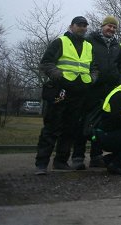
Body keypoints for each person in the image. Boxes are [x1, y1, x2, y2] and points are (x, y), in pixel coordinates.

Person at [35, 16, 93, 175]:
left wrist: (92, 78)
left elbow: (93, 67)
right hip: (61, 90)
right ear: (71, 26)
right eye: (79, 25)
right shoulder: (60, 41)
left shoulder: (88, 45)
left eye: (85, 25)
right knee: (52, 127)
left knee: (70, 128)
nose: (83, 28)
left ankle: (61, 161)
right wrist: (58, 76)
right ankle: (41, 163)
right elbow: (46, 62)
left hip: (79, 91)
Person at [72, 15, 121, 170]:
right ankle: (78, 156)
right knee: (84, 122)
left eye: (114, 27)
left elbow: (120, 66)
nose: (112, 29)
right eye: (109, 26)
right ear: (103, 26)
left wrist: (119, 83)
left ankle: (96, 155)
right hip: (91, 90)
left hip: (109, 91)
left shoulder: (116, 46)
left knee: (100, 125)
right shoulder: (90, 41)